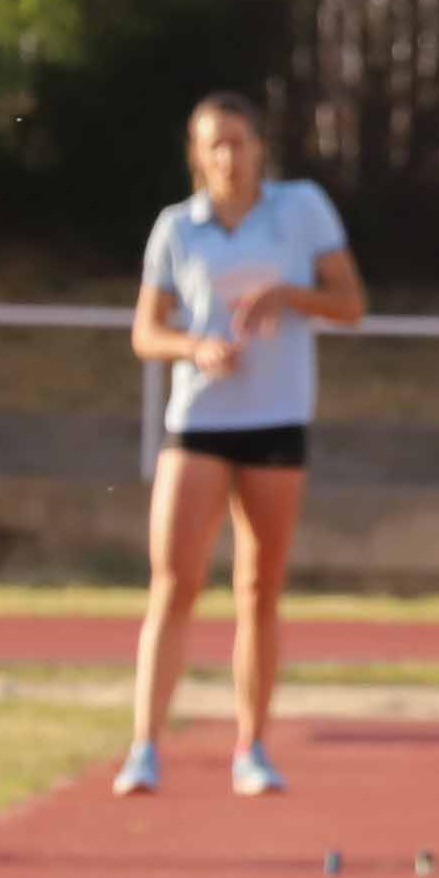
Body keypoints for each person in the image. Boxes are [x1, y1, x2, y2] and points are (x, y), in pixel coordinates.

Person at [120, 93, 362, 801]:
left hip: (276, 417)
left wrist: (288, 295)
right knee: (175, 582)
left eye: (239, 142)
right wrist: (194, 347)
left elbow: (351, 304)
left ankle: (251, 747)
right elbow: (145, 333)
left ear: (261, 148)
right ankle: (144, 747)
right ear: (197, 156)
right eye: (214, 145)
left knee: (259, 588)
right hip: (199, 420)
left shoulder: (302, 210)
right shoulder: (177, 227)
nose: (229, 157)